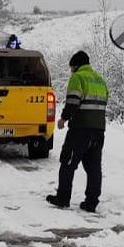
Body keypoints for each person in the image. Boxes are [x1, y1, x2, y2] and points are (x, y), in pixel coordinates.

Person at [46, 51, 108, 212]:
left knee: (67, 162)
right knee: (94, 167)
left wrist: (63, 119)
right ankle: (91, 202)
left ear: (75, 65)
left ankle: (63, 198)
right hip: (99, 130)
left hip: (80, 129)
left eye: (71, 67)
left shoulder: (77, 77)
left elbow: (73, 101)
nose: (71, 70)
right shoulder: (100, 80)